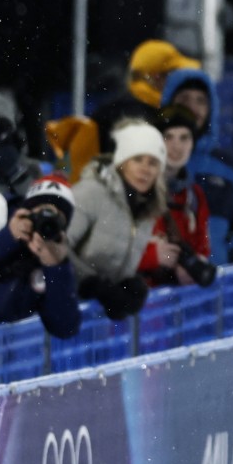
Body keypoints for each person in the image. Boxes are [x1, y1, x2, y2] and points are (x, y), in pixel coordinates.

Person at [159, 67, 233, 264]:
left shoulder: (229, 166)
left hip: (214, 284)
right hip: (159, 284)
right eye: (184, 99)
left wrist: (225, 259)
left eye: (201, 101)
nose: (193, 107)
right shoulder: (149, 161)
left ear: (212, 108)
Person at [67, 120, 168, 320]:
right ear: (122, 162)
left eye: (153, 163)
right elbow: (53, 246)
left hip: (93, 319)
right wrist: (92, 284)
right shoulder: (90, 193)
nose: (145, 169)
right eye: (137, 159)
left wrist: (127, 284)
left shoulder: (147, 209)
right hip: (65, 308)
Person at [0, 175, 81, 337]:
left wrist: (55, 267)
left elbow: (65, 327)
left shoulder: (54, 261)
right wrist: (7, 237)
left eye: (55, 220)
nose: (44, 224)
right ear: (26, 211)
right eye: (41, 213)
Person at [138, 106, 216, 288]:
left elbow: (202, 248)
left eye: (184, 138)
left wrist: (194, 263)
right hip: (141, 303)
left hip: (177, 303)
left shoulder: (194, 195)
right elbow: (112, 253)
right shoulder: (138, 191)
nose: (177, 146)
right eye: (168, 137)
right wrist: (153, 257)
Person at [89, 39, 201, 150]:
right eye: (175, 73)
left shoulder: (112, 110)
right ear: (156, 77)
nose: (181, 79)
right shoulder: (145, 117)